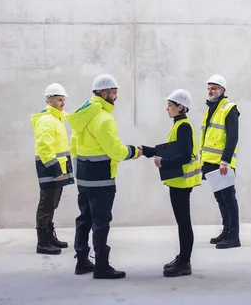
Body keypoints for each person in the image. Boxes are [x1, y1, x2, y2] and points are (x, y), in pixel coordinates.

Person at [65, 73, 141, 279]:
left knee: (84, 218)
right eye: (114, 93)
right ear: (104, 93)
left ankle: (81, 261)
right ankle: (101, 266)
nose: (116, 97)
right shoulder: (103, 119)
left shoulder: (83, 115)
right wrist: (135, 151)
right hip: (101, 178)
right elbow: (115, 150)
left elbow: (73, 145)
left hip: (83, 176)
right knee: (101, 221)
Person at [141, 89, 201, 277]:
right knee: (182, 222)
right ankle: (182, 258)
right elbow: (170, 150)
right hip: (178, 183)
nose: (167, 108)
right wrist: (146, 150)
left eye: (170, 105)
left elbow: (183, 156)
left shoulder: (183, 126)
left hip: (182, 183)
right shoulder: (179, 125)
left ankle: (184, 262)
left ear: (180, 107)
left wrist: (162, 163)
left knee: (183, 223)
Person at [30, 83, 75, 255]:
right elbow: (44, 147)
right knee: (46, 205)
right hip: (51, 170)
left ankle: (49, 237)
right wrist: (55, 170)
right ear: (49, 100)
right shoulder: (46, 120)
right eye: (59, 100)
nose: (63, 103)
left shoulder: (57, 118)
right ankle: (42, 243)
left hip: (58, 169)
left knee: (52, 204)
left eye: (63, 100)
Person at [199, 74, 241, 249]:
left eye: (214, 88)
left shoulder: (229, 108)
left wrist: (225, 161)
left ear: (222, 90)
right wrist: (202, 161)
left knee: (228, 197)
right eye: (209, 88)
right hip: (210, 161)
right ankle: (226, 230)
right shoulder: (211, 109)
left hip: (221, 163)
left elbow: (232, 137)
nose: (210, 91)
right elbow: (206, 136)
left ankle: (234, 235)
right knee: (220, 198)